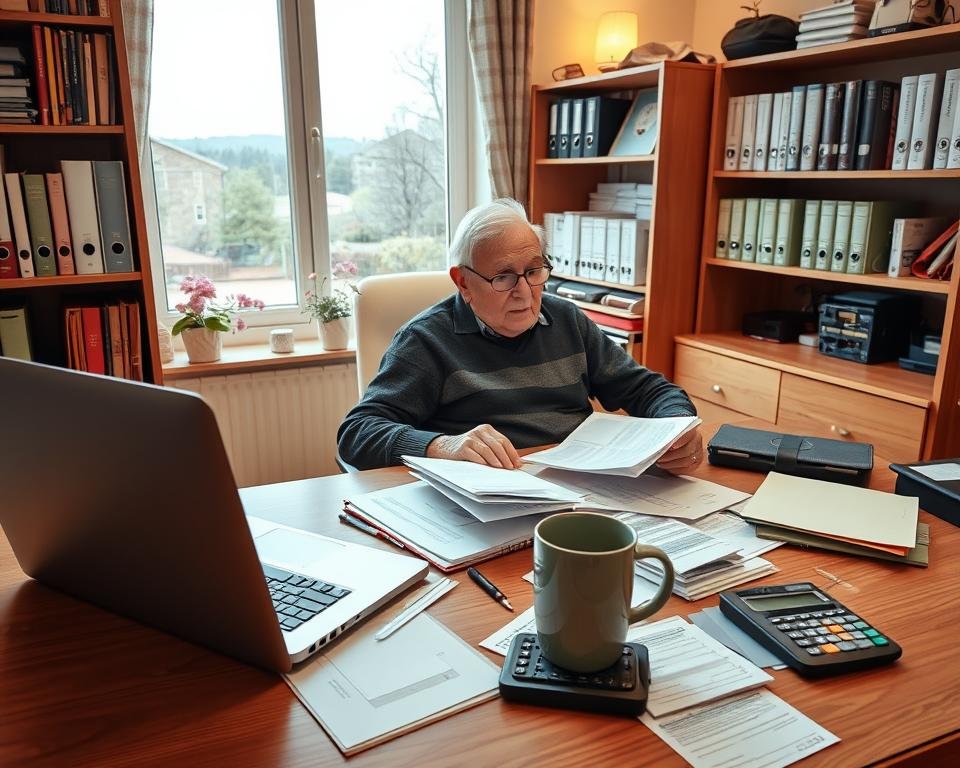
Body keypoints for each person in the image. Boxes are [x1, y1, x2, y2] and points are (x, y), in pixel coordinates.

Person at [337, 198, 702, 471]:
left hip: (583, 487)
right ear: (463, 281)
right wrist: (443, 445)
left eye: (534, 270)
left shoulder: (567, 319)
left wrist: (677, 428)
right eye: (504, 277)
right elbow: (357, 433)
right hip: (487, 501)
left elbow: (648, 390)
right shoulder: (425, 340)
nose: (525, 292)